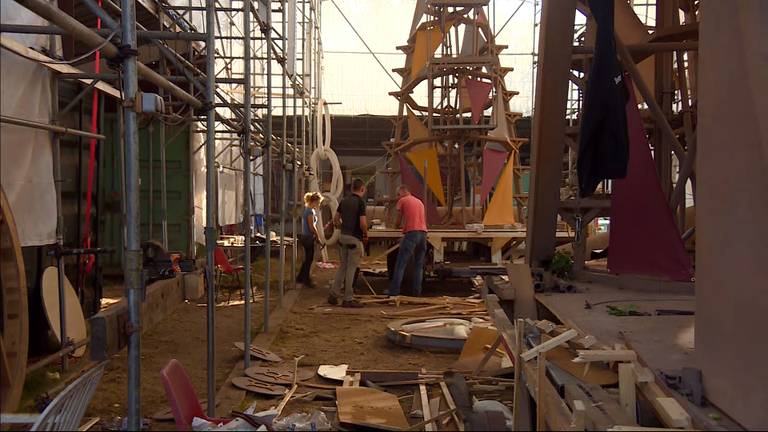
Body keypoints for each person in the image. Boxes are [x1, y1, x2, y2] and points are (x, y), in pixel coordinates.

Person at [328, 178, 367, 308]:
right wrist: (365, 234)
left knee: (342, 266)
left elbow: (335, 219)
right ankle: (348, 298)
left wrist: (341, 227)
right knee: (351, 269)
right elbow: (363, 223)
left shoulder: (344, 200)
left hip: (343, 237)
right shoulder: (360, 202)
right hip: (354, 238)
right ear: (362, 189)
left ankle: (333, 294)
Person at [388, 185, 428, 296]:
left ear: (401, 192)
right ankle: (416, 292)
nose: (397, 197)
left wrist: (395, 227)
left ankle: (394, 292)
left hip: (412, 233)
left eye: (397, 195)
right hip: (423, 233)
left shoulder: (402, 200)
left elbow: (399, 218)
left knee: (401, 263)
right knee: (419, 265)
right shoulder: (419, 201)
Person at [296, 192, 323, 288]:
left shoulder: (308, 210)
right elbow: (312, 227)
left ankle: (300, 277)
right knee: (309, 259)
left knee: (307, 258)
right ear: (315, 201)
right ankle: (306, 279)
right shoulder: (310, 211)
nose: (319, 205)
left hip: (306, 236)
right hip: (308, 237)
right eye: (319, 202)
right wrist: (317, 236)